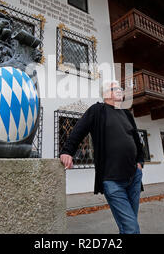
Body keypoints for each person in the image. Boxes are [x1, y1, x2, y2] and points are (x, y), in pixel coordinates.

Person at [60, 80, 145, 234]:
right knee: (131, 228)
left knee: (128, 224)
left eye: (120, 88)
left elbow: (137, 140)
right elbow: (79, 130)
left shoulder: (126, 113)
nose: (120, 90)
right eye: (115, 88)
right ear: (106, 94)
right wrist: (67, 151)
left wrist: (140, 162)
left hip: (134, 176)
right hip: (112, 181)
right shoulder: (97, 110)